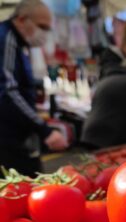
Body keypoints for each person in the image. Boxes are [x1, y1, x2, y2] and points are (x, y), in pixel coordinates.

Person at [0, 0, 68, 177]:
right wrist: (43, 129)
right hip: (6, 137)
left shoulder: (17, 43)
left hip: (13, 134)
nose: (44, 33)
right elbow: (8, 91)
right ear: (22, 20)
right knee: (22, 186)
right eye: (42, 27)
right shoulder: (6, 38)